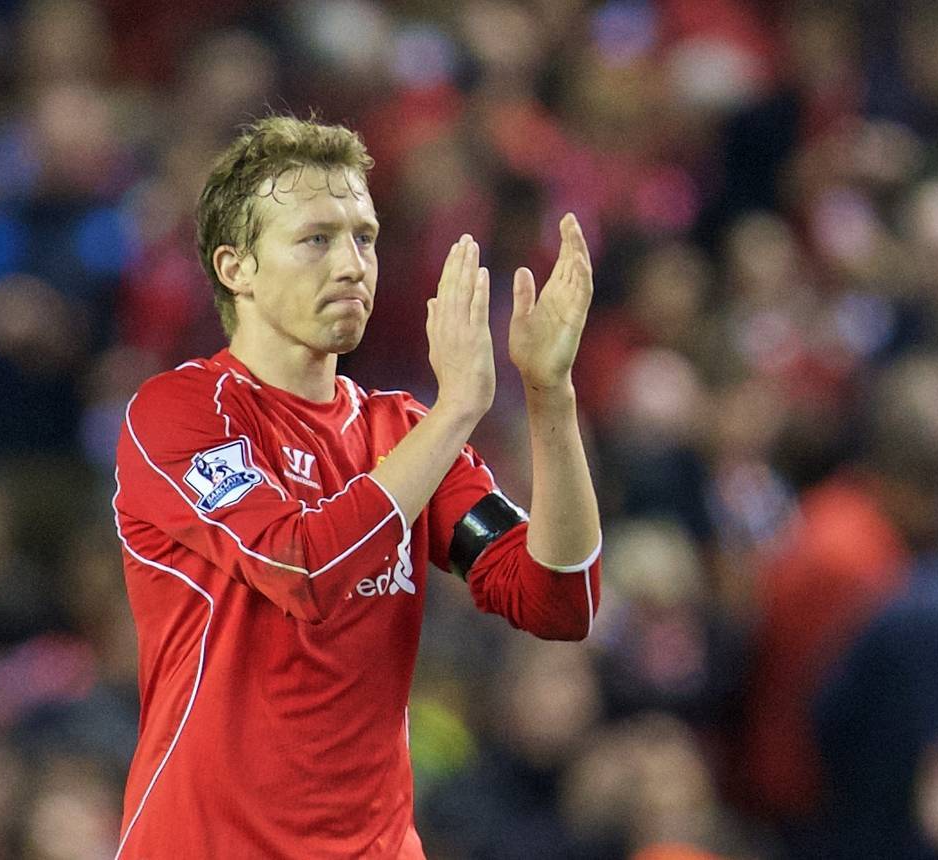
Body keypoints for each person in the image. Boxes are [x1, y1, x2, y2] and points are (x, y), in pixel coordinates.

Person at [111, 115, 603, 859]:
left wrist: (550, 395)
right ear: (236, 266)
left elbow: (559, 599)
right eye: (316, 238)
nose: (351, 264)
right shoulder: (180, 414)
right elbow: (301, 567)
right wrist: (458, 410)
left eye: (364, 237)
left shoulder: (402, 432)